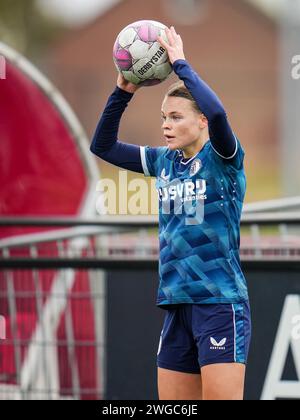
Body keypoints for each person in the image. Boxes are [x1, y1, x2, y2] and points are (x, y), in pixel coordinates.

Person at [90, 26, 251, 401]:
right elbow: (103, 145)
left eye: (177, 117)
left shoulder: (223, 159)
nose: (166, 125)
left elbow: (219, 111)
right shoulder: (164, 161)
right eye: (164, 117)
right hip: (176, 304)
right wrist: (123, 90)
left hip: (219, 303)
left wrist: (180, 64)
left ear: (201, 123)